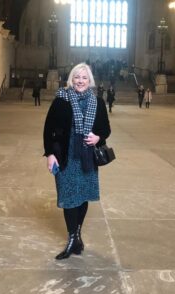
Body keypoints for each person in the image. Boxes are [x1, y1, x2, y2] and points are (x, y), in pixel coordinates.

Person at [43, 63, 111, 260]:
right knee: (68, 197)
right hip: (65, 156)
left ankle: (76, 235)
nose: (80, 81)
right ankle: (73, 237)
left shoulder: (97, 102)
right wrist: (50, 154)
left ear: (90, 81)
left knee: (82, 196)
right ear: (71, 80)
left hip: (87, 158)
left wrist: (98, 138)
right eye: (76, 77)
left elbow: (106, 129)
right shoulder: (61, 100)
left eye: (84, 78)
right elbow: (48, 129)